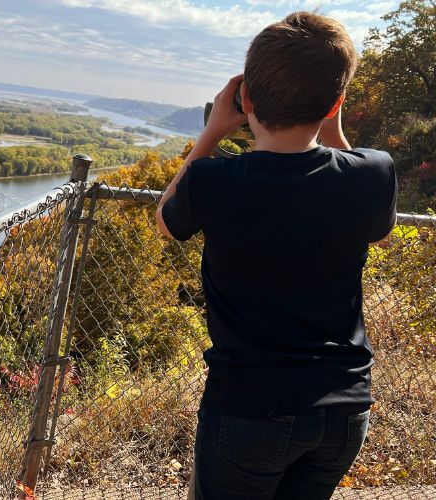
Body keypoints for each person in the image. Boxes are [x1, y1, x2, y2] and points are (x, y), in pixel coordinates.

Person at [155, 11, 398, 500]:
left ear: (245, 99)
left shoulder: (214, 181)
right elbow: (377, 228)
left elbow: (166, 219)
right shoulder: (374, 173)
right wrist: (330, 121)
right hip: (344, 409)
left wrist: (212, 133)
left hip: (248, 409)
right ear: (334, 105)